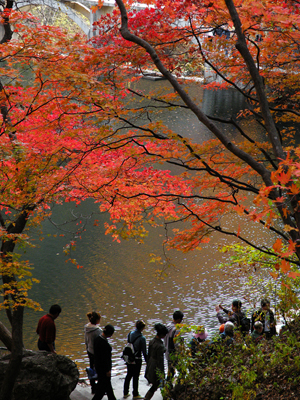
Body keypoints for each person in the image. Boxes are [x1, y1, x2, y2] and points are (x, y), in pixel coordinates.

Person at [144, 323, 169, 400]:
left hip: (150, 364)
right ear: (162, 334)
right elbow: (160, 361)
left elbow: (149, 354)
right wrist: (162, 373)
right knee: (158, 383)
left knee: (156, 383)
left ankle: (147, 398)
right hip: (156, 366)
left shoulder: (151, 341)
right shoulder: (160, 346)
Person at [123, 320, 147, 399]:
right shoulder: (142, 338)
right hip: (137, 359)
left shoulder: (130, 334)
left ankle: (125, 392)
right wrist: (147, 361)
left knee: (129, 375)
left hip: (129, 358)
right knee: (135, 376)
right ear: (142, 328)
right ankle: (135, 394)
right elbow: (144, 351)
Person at [92, 324, 117, 400]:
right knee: (102, 389)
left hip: (98, 367)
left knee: (106, 388)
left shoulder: (97, 339)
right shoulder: (104, 344)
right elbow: (105, 359)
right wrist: (107, 370)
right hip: (104, 370)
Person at [164, 310, 184, 383]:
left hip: (167, 351)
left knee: (170, 371)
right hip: (174, 353)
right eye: (181, 319)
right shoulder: (176, 329)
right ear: (178, 319)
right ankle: (176, 386)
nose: (181, 321)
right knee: (182, 371)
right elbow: (176, 343)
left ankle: (168, 386)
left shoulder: (168, 326)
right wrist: (180, 353)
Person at [84, 311, 102, 394]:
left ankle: (93, 388)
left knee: (92, 369)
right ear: (97, 320)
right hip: (96, 353)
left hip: (89, 350)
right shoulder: (97, 330)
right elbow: (100, 343)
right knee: (99, 370)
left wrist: (87, 348)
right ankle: (99, 388)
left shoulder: (86, 328)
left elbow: (86, 340)